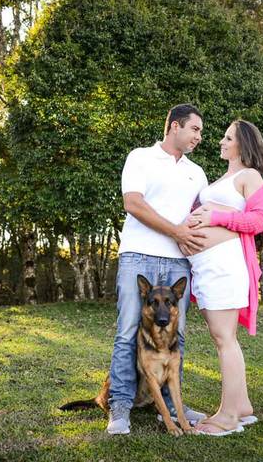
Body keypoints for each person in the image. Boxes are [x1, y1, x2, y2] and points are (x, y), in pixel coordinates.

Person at [106, 104, 209, 435]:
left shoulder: (197, 173)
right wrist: (176, 232)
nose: (199, 137)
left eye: (201, 132)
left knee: (176, 334)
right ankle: (120, 406)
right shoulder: (140, 157)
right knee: (127, 332)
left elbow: (205, 216)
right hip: (139, 256)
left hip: (179, 263)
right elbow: (133, 204)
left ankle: (169, 401)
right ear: (175, 126)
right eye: (195, 130)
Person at [182, 119, 263, 436]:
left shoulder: (249, 175)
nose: (221, 141)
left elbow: (260, 220)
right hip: (208, 267)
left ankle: (228, 416)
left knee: (225, 340)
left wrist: (216, 216)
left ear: (242, 144)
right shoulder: (225, 177)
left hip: (225, 266)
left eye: (227, 137)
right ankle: (242, 405)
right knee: (222, 339)